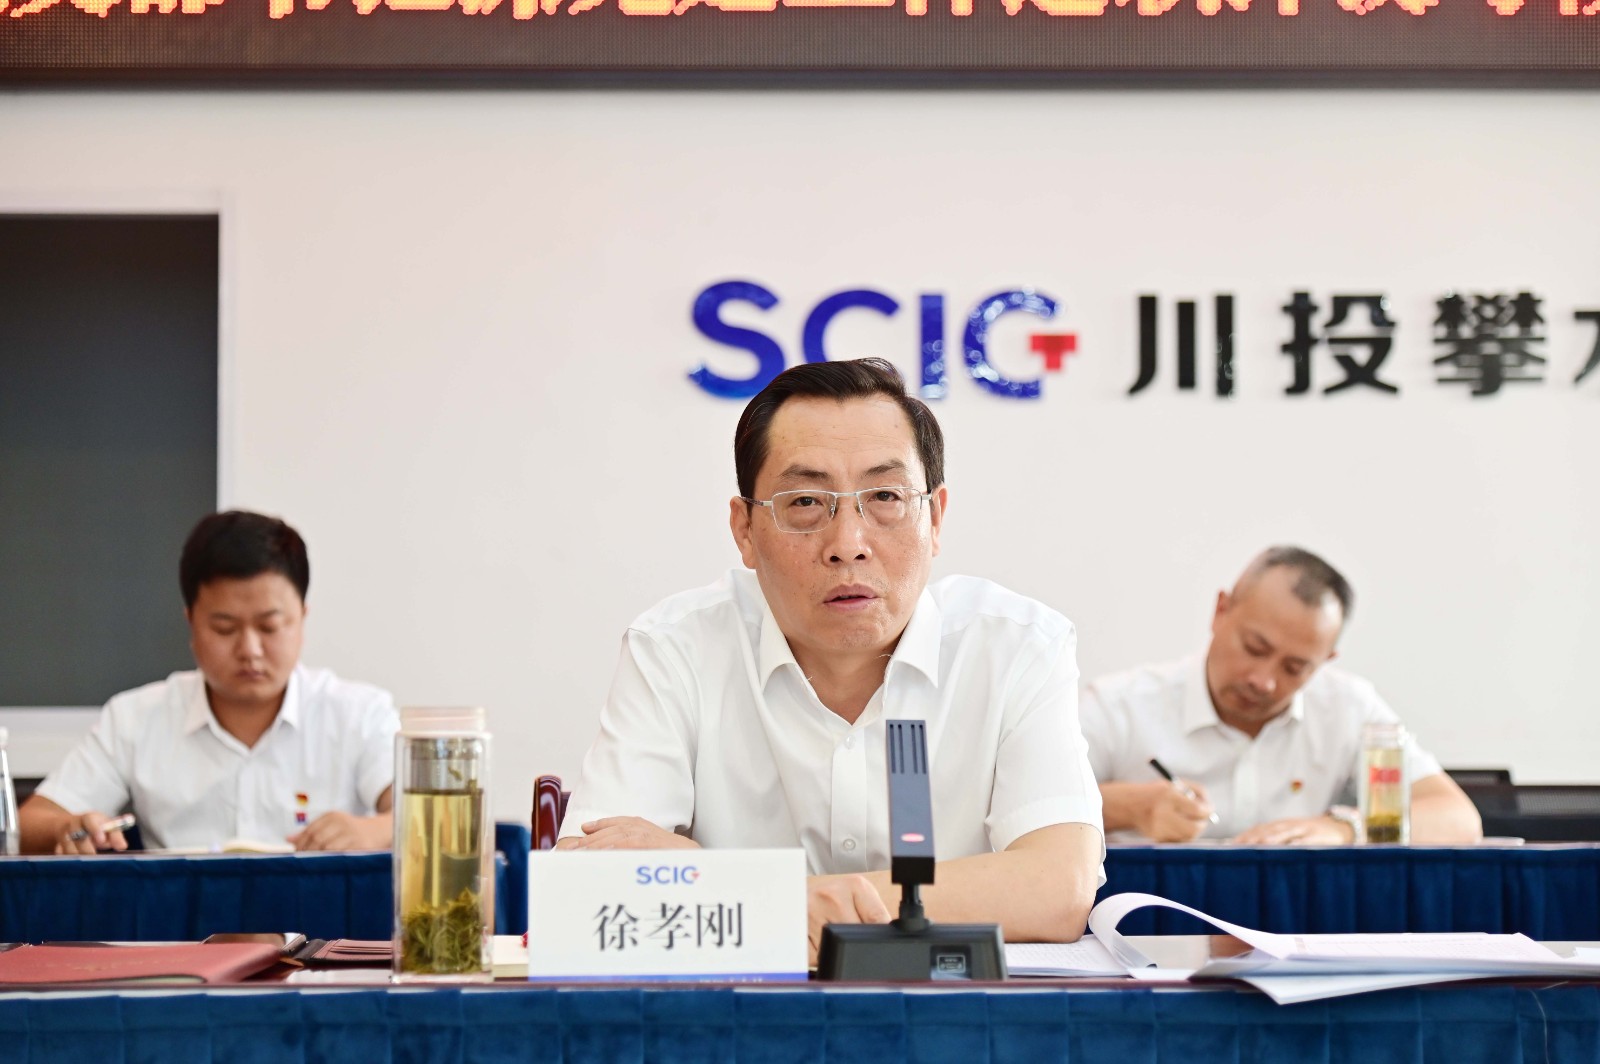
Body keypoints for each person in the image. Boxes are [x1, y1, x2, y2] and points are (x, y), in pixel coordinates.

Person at [557, 357, 1104, 959]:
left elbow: (1058, 888)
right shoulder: (675, 649)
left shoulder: (1016, 647)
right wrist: (791, 902)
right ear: (744, 530)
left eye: (885, 496)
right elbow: (588, 887)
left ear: (935, 517)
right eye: (805, 503)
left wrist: (763, 896)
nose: (848, 545)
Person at [18, 510, 400, 854]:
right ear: (191, 623)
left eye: (269, 626)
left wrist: (375, 830)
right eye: (224, 628)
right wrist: (67, 829)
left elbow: (428, 817)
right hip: (181, 912)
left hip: (319, 913)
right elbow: (29, 823)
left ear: (302, 618)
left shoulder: (359, 714)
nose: (250, 650)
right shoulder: (135, 719)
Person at [1081, 547, 1482, 845]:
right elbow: (1037, 809)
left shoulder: (1347, 708)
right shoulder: (1119, 707)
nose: (1264, 681)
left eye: (1295, 668)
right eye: (1254, 648)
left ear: (1325, 661)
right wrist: (1131, 807)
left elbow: (1458, 819)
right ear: (1221, 611)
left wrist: (1342, 828)